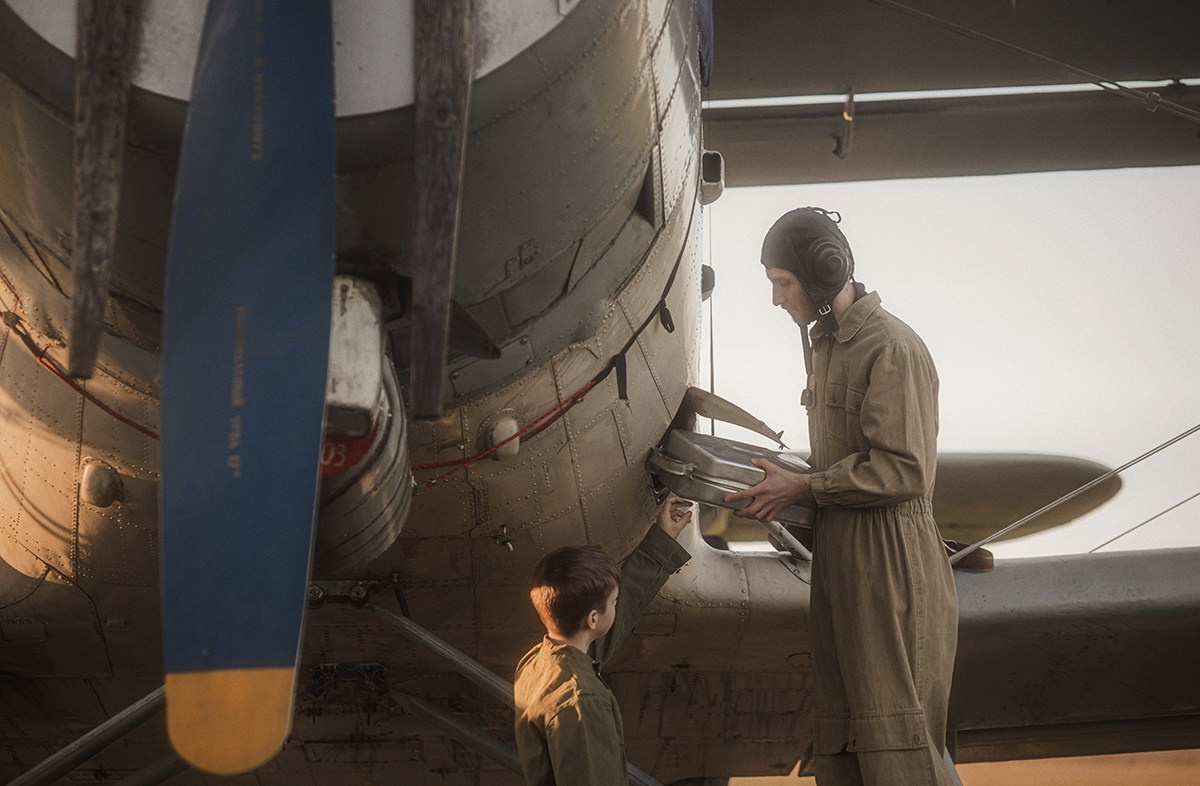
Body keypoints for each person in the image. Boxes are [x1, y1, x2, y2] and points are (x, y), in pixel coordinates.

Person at [725, 207, 959, 785]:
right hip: (843, 557)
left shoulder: (892, 347)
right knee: (846, 740)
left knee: (896, 740)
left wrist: (805, 485)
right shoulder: (827, 346)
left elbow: (905, 470)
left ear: (824, 273)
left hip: (891, 565)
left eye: (783, 283)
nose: (777, 300)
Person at [513, 493, 693, 786]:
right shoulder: (582, 702)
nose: (617, 606)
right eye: (614, 601)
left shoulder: (537, 662)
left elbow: (612, 623)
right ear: (593, 620)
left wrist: (662, 540)